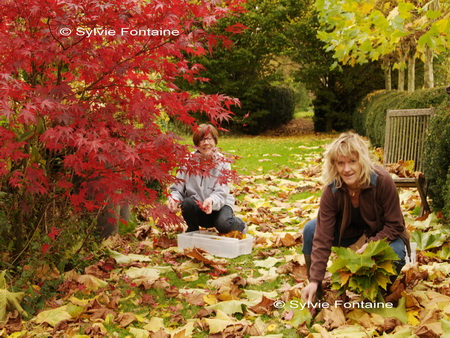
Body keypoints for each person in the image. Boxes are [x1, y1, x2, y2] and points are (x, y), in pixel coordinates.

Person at [301, 132, 409, 303]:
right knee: (310, 230)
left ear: (362, 161)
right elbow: (322, 236)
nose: (347, 169)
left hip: (382, 235)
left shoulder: (382, 181)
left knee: (396, 252)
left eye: (352, 161)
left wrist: (371, 245)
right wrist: (315, 279)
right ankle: (316, 291)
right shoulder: (332, 189)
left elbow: (395, 225)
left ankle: (376, 293)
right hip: (348, 233)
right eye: (341, 163)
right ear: (334, 165)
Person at [168, 124, 246, 234]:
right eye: (201, 139)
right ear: (196, 143)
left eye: (209, 139)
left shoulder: (223, 162)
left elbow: (221, 192)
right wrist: (174, 200)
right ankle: (192, 232)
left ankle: (240, 225)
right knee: (187, 203)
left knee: (223, 224)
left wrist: (211, 201)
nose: (206, 143)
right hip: (197, 209)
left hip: (219, 206)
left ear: (215, 141)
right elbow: (177, 189)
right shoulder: (186, 162)